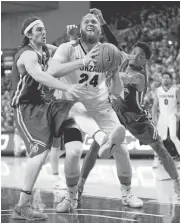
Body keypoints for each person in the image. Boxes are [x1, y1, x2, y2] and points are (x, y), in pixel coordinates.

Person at [65, 8, 180, 205]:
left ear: (145, 61)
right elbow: (115, 45)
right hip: (117, 112)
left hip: (136, 118)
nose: (134, 56)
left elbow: (126, 78)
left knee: (159, 147)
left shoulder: (140, 76)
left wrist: (112, 69)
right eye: (133, 52)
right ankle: (81, 184)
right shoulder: (125, 59)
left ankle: (177, 183)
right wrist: (102, 22)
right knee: (95, 146)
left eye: (140, 56)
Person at [10, 16, 109, 220]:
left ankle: (102, 139)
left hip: (45, 103)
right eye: (38, 29)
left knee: (75, 107)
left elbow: (66, 52)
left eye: (44, 28)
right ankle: (22, 206)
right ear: (28, 34)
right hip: (26, 109)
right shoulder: (27, 55)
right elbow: (40, 76)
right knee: (40, 154)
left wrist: (74, 40)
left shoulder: (45, 49)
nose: (43, 31)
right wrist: (67, 86)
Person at [49, 12, 142, 210]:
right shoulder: (68, 48)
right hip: (74, 106)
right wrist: (81, 62)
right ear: (81, 29)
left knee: (122, 150)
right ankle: (71, 197)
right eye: (86, 21)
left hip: (101, 106)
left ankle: (127, 193)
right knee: (73, 153)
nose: (91, 23)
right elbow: (52, 72)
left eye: (94, 22)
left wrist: (115, 71)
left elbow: (118, 93)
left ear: (100, 30)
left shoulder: (109, 51)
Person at [152, 72, 180, 168]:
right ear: (161, 79)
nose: (165, 79)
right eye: (163, 77)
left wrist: (178, 114)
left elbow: (179, 103)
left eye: (167, 77)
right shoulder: (158, 90)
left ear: (171, 79)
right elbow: (154, 106)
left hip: (172, 116)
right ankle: (156, 159)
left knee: (173, 137)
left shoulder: (175, 90)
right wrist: (153, 118)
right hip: (162, 117)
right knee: (159, 139)